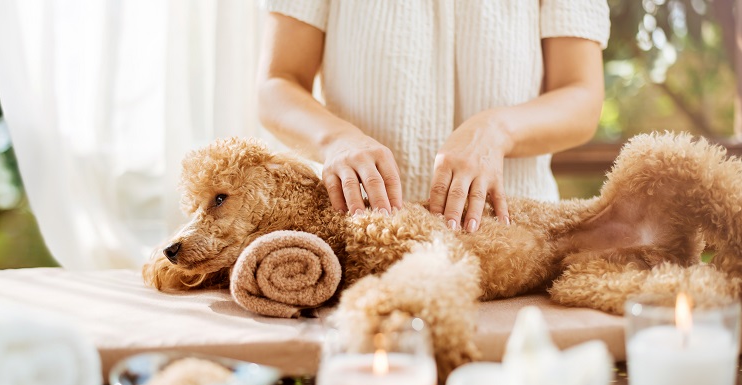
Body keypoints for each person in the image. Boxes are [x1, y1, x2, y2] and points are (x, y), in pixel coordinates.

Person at [257, 1, 610, 233]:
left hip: (518, 242)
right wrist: (337, 140)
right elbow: (277, 84)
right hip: (359, 237)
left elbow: (582, 96)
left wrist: (497, 130)